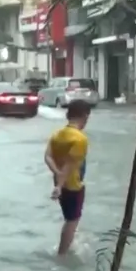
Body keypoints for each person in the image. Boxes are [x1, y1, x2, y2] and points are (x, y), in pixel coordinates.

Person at [44, 99, 92, 255]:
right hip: (72, 184)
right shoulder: (80, 139)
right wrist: (59, 185)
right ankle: (62, 253)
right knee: (72, 220)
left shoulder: (57, 134)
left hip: (61, 183)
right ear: (85, 116)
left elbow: (48, 157)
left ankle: (67, 246)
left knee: (69, 218)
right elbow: (70, 165)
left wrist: (57, 175)